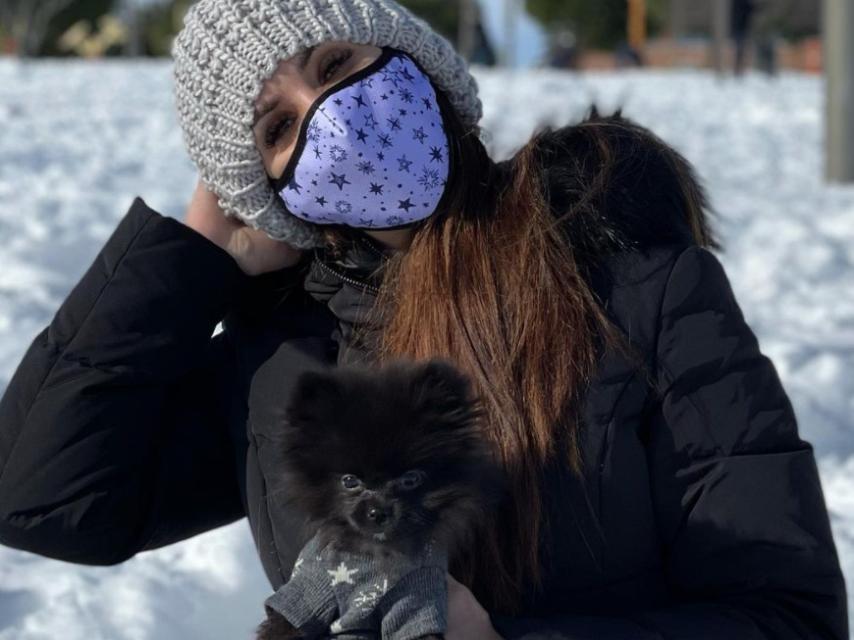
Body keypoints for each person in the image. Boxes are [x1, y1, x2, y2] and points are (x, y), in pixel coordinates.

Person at [0, 0, 848, 638]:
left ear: (415, 65)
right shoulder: (282, 365)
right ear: (270, 194)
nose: (333, 121)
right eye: (278, 126)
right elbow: (42, 497)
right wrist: (190, 255)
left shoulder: (633, 283)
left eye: (336, 64)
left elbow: (789, 615)